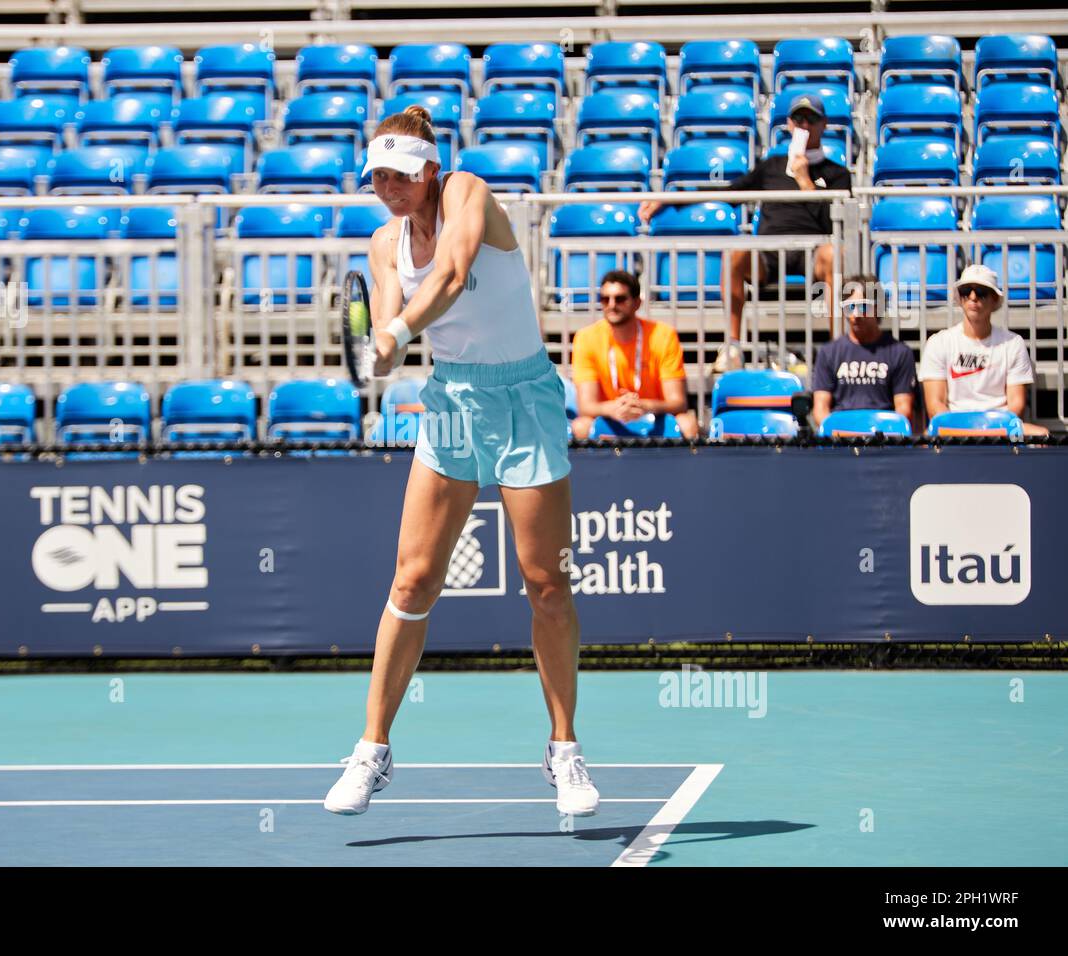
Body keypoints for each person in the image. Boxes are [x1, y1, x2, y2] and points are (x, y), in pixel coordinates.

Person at [323, 105, 600, 817]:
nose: (389, 186)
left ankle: (564, 750)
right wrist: (385, 348)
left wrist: (396, 331)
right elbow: (390, 319)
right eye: (378, 175)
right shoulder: (384, 244)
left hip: (525, 397)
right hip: (452, 402)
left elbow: (450, 273)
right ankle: (372, 750)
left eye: (402, 175)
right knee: (412, 580)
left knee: (545, 583)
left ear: (431, 170)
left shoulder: (468, 191)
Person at [638, 93, 852, 372]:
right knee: (737, 253)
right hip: (770, 252)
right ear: (788, 124)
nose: (804, 125)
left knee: (835, 253)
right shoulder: (772, 167)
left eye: (811, 119)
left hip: (813, 251)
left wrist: (804, 181)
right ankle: (733, 347)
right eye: (798, 119)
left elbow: (833, 221)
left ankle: (839, 346)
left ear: (824, 124)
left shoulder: (837, 173)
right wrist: (672, 198)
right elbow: (729, 194)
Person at [920, 264, 1048, 436]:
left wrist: (985, 430)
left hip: (1000, 429)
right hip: (953, 429)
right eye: (966, 290)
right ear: (960, 297)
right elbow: (935, 407)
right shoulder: (938, 342)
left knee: (1043, 435)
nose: (973, 297)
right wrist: (964, 431)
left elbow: (1016, 406)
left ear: (995, 299)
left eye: (981, 291)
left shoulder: (1013, 343)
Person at [569, 269, 700, 439]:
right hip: (610, 415)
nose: (611, 305)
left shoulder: (663, 335)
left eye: (620, 299)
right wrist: (613, 408)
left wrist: (642, 406)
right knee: (580, 427)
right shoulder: (586, 338)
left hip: (654, 414)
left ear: (637, 303)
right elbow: (586, 406)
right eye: (605, 299)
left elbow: (678, 403)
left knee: (688, 424)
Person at [811, 275, 917, 431]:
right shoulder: (828, 352)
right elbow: (820, 409)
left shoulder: (900, 353)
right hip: (841, 439)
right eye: (849, 307)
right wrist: (839, 434)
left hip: (883, 439)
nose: (855, 315)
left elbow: (903, 409)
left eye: (863, 306)